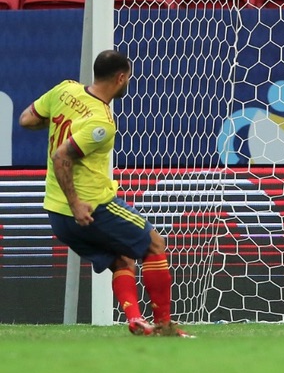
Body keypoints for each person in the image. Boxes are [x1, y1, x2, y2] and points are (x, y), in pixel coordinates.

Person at [19, 49, 192, 337]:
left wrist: (63, 123)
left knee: (122, 260)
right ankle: (165, 324)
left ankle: (136, 319)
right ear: (121, 78)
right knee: (155, 245)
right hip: (91, 207)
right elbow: (62, 156)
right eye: (129, 79)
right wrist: (76, 204)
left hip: (56, 214)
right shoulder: (101, 121)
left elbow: (27, 119)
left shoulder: (65, 89)